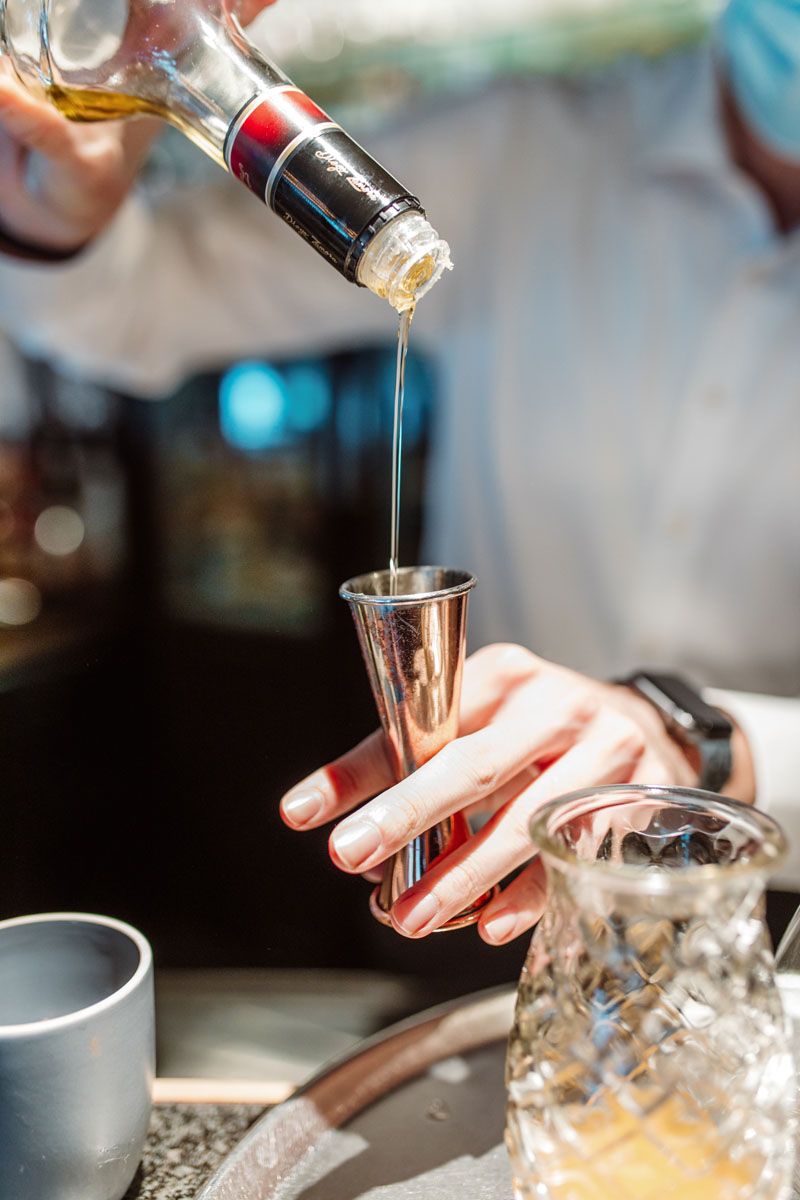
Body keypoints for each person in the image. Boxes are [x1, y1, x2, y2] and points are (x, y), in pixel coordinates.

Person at [0, 0, 797, 944]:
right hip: (494, 897)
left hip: (769, 930)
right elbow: (125, 310)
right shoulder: (530, 146)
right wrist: (63, 206)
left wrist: (711, 745)